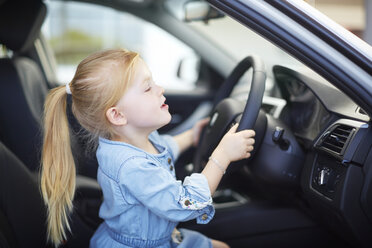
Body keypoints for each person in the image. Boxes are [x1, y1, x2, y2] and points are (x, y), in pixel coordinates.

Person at [40, 49, 255, 248]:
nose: (159, 89)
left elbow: (165, 148)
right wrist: (223, 154)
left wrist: (192, 136)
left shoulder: (139, 137)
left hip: (159, 237)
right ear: (117, 115)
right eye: (147, 88)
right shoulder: (131, 166)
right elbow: (186, 202)